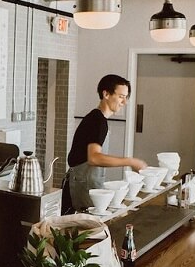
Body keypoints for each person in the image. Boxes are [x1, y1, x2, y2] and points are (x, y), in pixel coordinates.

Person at [62, 74, 147, 214]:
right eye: (121, 96)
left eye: (126, 97)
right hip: (80, 188)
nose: (124, 102)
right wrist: (131, 161)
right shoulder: (97, 121)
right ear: (106, 94)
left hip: (84, 183)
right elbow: (94, 158)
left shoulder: (98, 119)